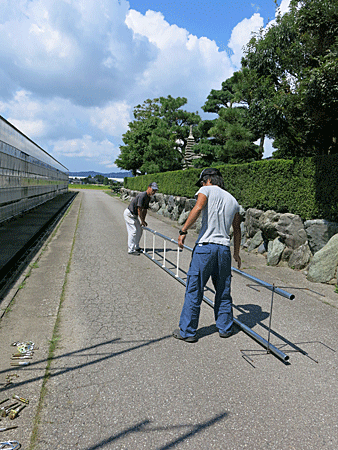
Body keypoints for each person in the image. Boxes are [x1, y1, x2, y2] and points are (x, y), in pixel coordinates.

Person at [172, 168, 241, 343]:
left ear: (208, 179)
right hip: (223, 250)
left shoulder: (206, 190)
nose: (202, 185)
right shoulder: (233, 200)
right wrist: (237, 253)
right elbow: (237, 229)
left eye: (202, 181)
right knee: (223, 290)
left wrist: (183, 230)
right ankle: (225, 328)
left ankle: (188, 331)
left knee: (195, 289)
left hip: (206, 248)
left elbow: (199, 207)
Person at [124, 182, 159, 255]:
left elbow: (145, 210)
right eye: (153, 190)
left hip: (134, 215)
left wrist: (143, 220)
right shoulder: (142, 195)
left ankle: (136, 246)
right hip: (129, 214)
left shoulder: (148, 198)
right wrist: (142, 220)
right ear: (148, 187)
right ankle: (130, 250)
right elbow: (139, 209)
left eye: (155, 191)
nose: (154, 192)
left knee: (140, 230)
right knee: (133, 231)